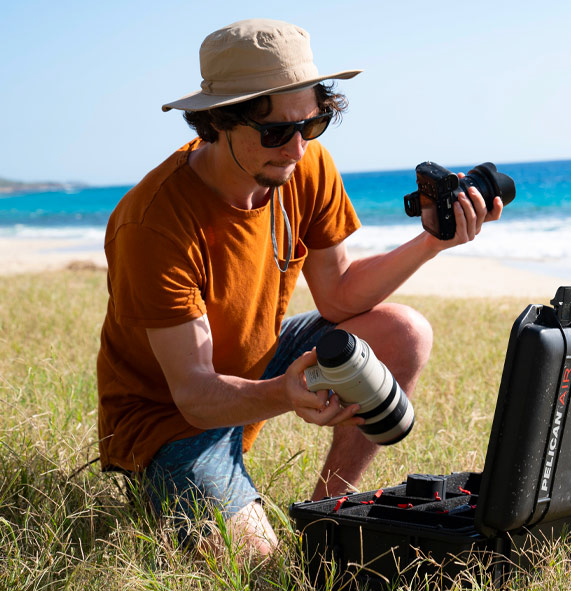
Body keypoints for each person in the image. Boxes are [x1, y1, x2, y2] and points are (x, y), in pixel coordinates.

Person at [95, 18, 502, 557]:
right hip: (167, 419)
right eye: (274, 132)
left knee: (403, 332)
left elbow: (338, 296)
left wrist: (432, 241)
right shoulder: (153, 224)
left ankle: (329, 518)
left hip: (256, 363)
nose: (294, 148)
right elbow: (193, 394)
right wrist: (282, 394)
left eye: (311, 125)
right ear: (217, 121)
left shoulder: (302, 165)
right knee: (260, 564)